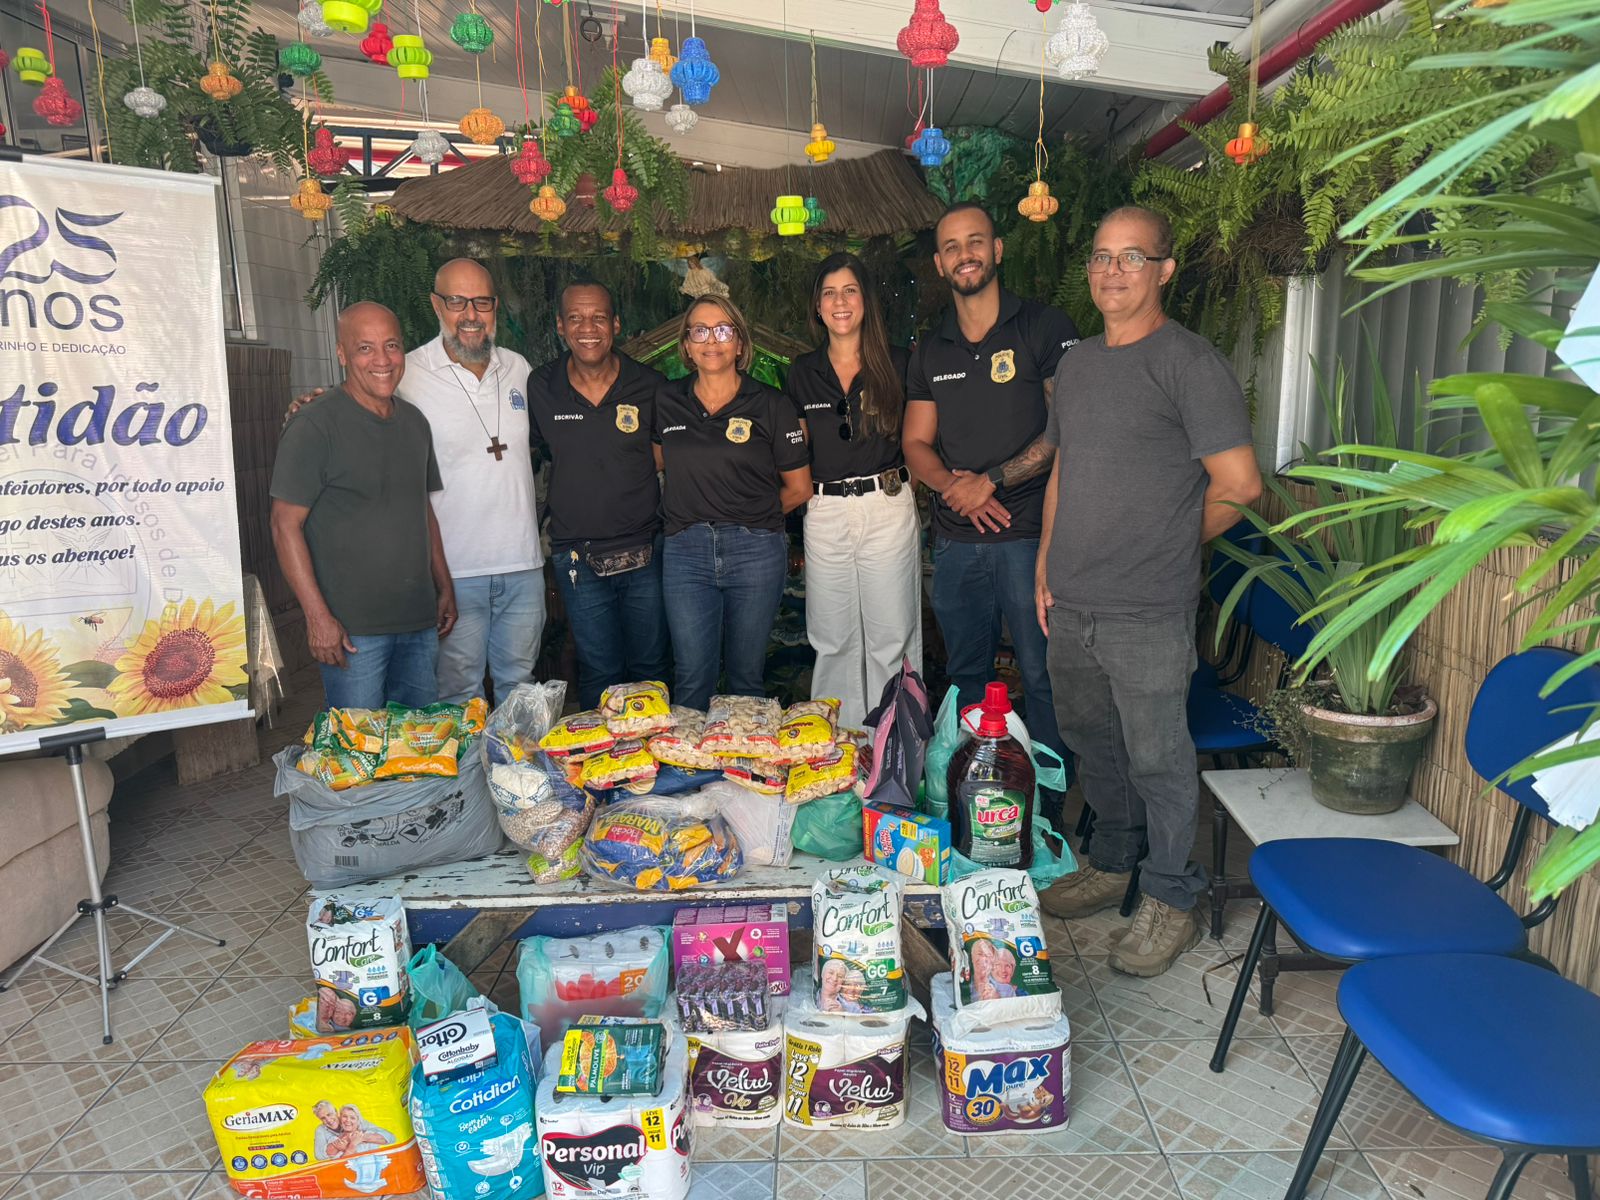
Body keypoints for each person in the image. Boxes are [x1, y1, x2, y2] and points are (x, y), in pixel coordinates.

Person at [1035, 206, 1260, 978]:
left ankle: (1171, 895)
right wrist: (1046, 565)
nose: (1113, 271)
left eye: (1132, 257)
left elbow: (1241, 486)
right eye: (1102, 256)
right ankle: (1114, 859)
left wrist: (1165, 543)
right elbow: (1063, 470)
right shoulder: (1078, 366)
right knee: (1093, 740)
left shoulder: (1189, 364)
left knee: (1158, 756)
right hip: (1073, 600)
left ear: (1165, 270)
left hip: (1148, 608)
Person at [285, 259, 542, 705]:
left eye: (481, 302)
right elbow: (361, 392)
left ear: (495, 307)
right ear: (436, 306)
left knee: (520, 690)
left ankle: (513, 757)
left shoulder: (519, 368)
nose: (470, 314)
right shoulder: (410, 371)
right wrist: (311, 405)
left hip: (523, 563)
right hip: (455, 570)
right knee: (456, 696)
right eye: (456, 301)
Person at [903, 202, 1079, 787]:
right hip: (957, 544)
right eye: (951, 247)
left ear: (997, 249)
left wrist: (993, 480)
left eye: (975, 241)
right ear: (939, 263)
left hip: (1031, 538)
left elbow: (1066, 428)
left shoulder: (1043, 327)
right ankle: (975, 791)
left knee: (1043, 675)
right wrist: (955, 486)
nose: (965, 255)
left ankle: (1048, 802)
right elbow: (915, 442)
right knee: (966, 679)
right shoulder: (932, 349)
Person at [271, 302, 456, 710]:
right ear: (342, 354)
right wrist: (318, 618)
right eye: (365, 348)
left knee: (419, 742)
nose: (382, 360)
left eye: (391, 345)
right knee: (356, 746)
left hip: (418, 622)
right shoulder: (314, 424)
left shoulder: (415, 423)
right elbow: (284, 526)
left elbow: (422, 510)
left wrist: (444, 586)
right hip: (352, 633)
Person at [654, 295, 811, 710]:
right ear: (686, 346)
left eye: (724, 330)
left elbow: (800, 488)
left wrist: (750, 518)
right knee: (692, 677)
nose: (712, 340)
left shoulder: (772, 404)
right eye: (700, 331)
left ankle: (740, 755)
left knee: (745, 677)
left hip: (754, 550)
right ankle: (693, 755)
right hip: (686, 552)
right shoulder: (666, 401)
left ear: (740, 344)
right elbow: (657, 462)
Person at [785, 252, 921, 728]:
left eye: (849, 291)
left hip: (887, 505)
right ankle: (836, 750)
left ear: (866, 301)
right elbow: (796, 449)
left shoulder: (899, 364)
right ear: (817, 306)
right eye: (829, 293)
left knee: (891, 638)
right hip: (824, 509)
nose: (839, 302)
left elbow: (920, 440)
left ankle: (895, 749)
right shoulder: (802, 371)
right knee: (832, 637)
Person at [528, 281, 672, 709]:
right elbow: (531, 452)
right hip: (577, 555)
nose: (587, 328)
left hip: (645, 549)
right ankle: (600, 752)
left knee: (650, 666)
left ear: (616, 324)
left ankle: (655, 750)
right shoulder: (542, 386)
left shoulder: (650, 385)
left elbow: (664, 456)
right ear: (560, 325)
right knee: (598, 669)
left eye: (598, 318)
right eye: (575, 318)